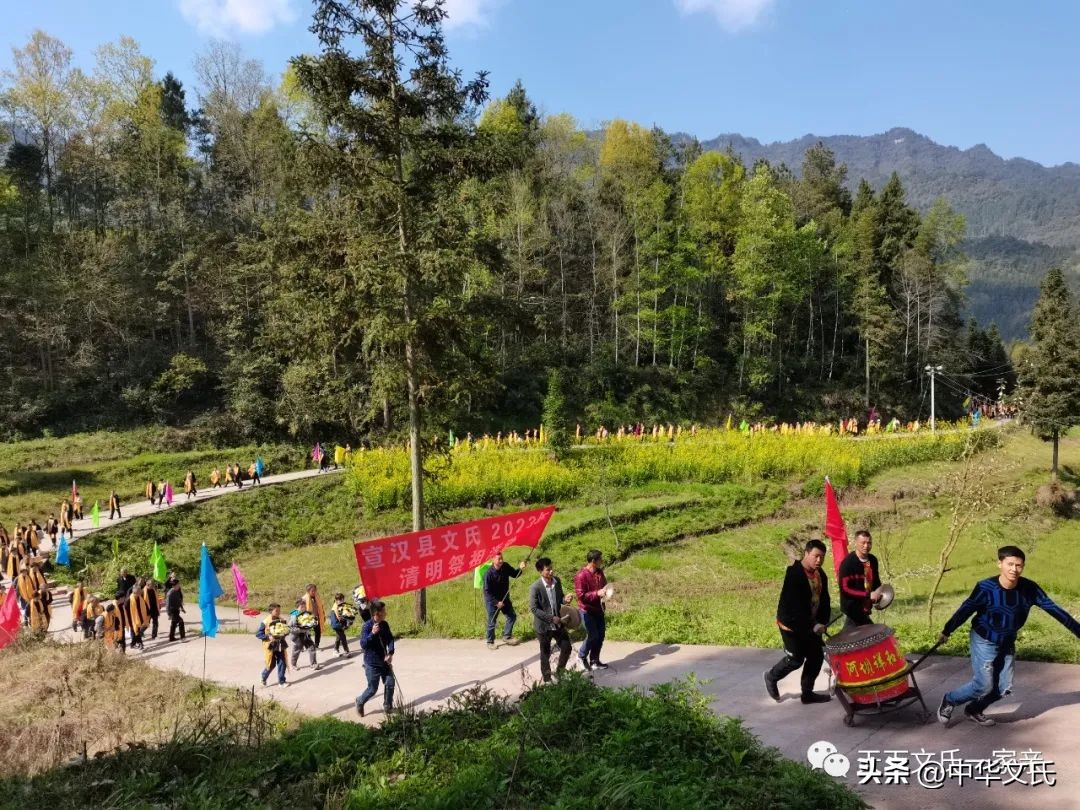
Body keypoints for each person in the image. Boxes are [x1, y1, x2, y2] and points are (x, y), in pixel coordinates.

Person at [936, 545, 1080, 727]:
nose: (1014, 569)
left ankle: (974, 709)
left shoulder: (1030, 588)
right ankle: (950, 699)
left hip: (1007, 641)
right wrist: (947, 630)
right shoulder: (985, 587)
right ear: (1000, 564)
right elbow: (966, 609)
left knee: (1003, 688)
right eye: (1010, 564)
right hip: (984, 640)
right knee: (983, 685)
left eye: (1019, 565)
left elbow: (1054, 610)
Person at [763, 539, 833, 705]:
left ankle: (807, 694)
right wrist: (813, 625)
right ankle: (771, 677)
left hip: (811, 625)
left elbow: (825, 601)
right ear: (806, 553)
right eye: (816, 556)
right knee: (796, 660)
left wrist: (822, 622)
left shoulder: (820, 575)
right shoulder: (794, 575)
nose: (819, 560)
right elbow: (795, 609)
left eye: (822, 557)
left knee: (816, 657)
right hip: (791, 625)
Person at [529, 557, 573, 683]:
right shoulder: (535, 587)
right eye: (548, 570)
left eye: (551, 568)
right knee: (545, 653)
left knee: (566, 647)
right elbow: (534, 608)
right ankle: (547, 680)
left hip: (559, 624)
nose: (551, 572)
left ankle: (560, 672)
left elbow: (560, 599)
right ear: (540, 571)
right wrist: (550, 618)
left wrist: (566, 600)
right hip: (543, 627)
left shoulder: (557, 581)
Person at [355, 600, 395, 717]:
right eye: (383, 611)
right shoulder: (367, 626)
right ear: (377, 613)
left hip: (384, 661)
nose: (385, 613)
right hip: (372, 663)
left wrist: (390, 653)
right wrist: (372, 633)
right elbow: (363, 644)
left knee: (390, 683)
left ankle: (388, 706)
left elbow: (390, 639)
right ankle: (360, 701)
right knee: (372, 689)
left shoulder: (384, 624)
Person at [573, 549, 609, 670]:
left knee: (601, 635)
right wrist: (597, 593)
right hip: (587, 610)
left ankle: (594, 660)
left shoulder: (599, 572)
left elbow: (604, 585)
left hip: (599, 609)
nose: (602, 561)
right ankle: (581, 656)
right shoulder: (581, 575)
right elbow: (581, 596)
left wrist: (606, 592)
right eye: (600, 559)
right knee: (593, 635)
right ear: (593, 561)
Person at [838, 530, 882, 628]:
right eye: (863, 543)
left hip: (866, 606)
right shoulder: (847, 563)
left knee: (860, 635)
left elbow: (876, 581)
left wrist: (879, 591)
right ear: (856, 543)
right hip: (852, 607)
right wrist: (867, 595)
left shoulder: (873, 560)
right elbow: (845, 589)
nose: (866, 546)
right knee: (864, 633)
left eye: (869, 543)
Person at [483, 552, 526, 648]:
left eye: (501, 558)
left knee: (512, 616)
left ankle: (507, 636)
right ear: (493, 560)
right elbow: (487, 592)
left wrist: (520, 568)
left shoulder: (505, 566)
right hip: (492, 601)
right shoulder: (488, 574)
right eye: (499, 559)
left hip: (504, 598)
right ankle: (490, 642)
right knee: (492, 621)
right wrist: (496, 602)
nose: (501, 561)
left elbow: (515, 574)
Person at [256, 604, 289, 687]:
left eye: (279, 611)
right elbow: (258, 634)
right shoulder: (265, 622)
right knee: (271, 664)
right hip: (270, 646)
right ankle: (263, 677)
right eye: (276, 611)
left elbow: (286, 630)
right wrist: (268, 637)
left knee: (282, 662)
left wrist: (286, 632)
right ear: (271, 611)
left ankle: (282, 682)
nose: (278, 612)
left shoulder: (281, 620)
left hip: (280, 644)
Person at [287, 598, 322, 671]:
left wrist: (313, 623)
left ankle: (313, 664)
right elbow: (289, 628)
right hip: (297, 637)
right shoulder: (294, 615)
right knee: (296, 651)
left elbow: (310, 622)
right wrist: (299, 630)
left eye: (305, 606)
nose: (304, 608)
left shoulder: (306, 614)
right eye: (302, 607)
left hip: (306, 635)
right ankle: (293, 664)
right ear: (297, 607)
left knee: (312, 647)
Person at [302, 583, 326, 649]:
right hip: (308, 618)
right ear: (308, 591)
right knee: (306, 632)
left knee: (318, 631)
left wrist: (323, 615)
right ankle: (307, 645)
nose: (314, 592)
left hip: (316, 617)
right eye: (312, 591)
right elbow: (301, 609)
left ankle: (316, 645)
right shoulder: (304, 599)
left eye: (315, 590)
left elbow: (321, 607)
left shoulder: (317, 597)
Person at [329, 593, 353, 657]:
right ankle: (346, 651)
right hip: (337, 625)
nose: (341, 601)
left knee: (338, 637)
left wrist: (349, 618)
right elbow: (337, 620)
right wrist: (343, 625)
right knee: (343, 637)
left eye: (342, 599)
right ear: (336, 600)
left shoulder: (341, 606)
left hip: (339, 624)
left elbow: (345, 615)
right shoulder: (335, 608)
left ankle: (335, 650)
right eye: (340, 600)